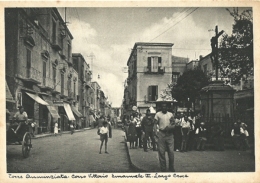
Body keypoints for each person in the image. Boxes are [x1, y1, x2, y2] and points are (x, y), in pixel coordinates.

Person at [154, 103, 175, 172]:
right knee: (161, 152)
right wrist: (155, 132)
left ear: (167, 107)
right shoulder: (158, 114)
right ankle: (163, 168)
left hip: (169, 134)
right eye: (163, 106)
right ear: (161, 107)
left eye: (165, 106)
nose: (164, 108)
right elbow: (155, 124)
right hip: (161, 134)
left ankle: (171, 167)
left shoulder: (170, 114)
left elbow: (173, 123)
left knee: (171, 152)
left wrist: (170, 126)